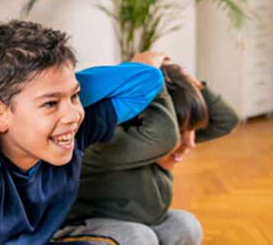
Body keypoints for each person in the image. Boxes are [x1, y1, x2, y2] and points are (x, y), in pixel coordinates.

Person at [0, 20, 165, 244]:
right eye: (49, 103)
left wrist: (61, 86)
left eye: (75, 97)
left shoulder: (68, 131)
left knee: (168, 231)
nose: (72, 115)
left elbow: (146, 82)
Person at [55, 62, 240, 245]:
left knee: (184, 225)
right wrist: (153, 75)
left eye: (192, 131)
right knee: (139, 237)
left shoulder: (156, 147)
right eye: (180, 131)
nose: (190, 143)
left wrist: (191, 82)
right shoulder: (109, 145)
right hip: (81, 229)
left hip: (138, 223)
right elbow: (165, 136)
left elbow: (227, 120)